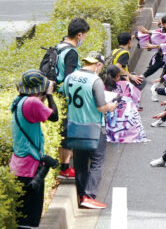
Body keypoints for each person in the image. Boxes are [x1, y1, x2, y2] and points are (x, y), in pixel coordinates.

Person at [61, 52, 117, 209]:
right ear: (98, 65)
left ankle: (81, 196)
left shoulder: (70, 77)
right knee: (97, 161)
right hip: (94, 128)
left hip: (74, 126)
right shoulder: (95, 80)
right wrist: (111, 106)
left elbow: (65, 96)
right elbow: (101, 106)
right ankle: (89, 195)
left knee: (80, 163)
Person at [11, 70, 58, 229]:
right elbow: (54, 116)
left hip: (19, 166)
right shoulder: (32, 103)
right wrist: (50, 95)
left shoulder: (20, 101)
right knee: (30, 221)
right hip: (30, 167)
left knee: (22, 217)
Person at [56, 18, 91, 181]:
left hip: (55, 94)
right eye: (84, 35)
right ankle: (65, 168)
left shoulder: (59, 46)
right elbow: (70, 78)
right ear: (79, 34)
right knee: (68, 132)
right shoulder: (71, 52)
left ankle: (64, 166)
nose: (84, 38)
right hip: (66, 97)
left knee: (64, 131)